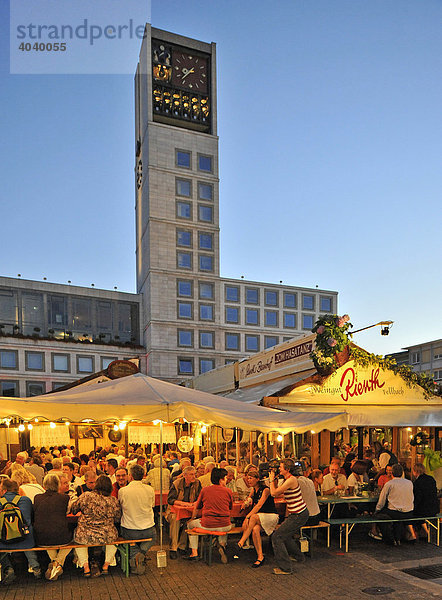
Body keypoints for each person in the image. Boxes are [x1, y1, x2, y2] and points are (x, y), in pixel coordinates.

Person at [70, 475, 121, 576]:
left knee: (79, 538)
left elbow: (74, 510)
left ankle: (86, 567)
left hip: (85, 534)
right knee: (114, 538)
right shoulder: (113, 500)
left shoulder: (86, 496)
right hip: (106, 535)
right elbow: (117, 518)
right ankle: (106, 565)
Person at [269, 459, 309, 575]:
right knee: (285, 536)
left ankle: (285, 568)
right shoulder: (287, 479)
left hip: (298, 514)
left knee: (277, 537)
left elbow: (273, 493)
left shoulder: (291, 480)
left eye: (280, 467)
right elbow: (278, 490)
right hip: (297, 514)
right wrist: (275, 480)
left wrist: (271, 479)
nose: (279, 469)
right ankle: (299, 557)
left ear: (287, 469)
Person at [186, 468, 233, 563]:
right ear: (221, 479)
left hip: (209, 525)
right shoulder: (228, 491)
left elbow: (197, 507)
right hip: (226, 526)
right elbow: (230, 507)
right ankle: (222, 544)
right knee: (223, 524)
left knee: (190, 525)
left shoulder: (205, 490)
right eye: (225, 478)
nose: (226, 480)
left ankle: (194, 553)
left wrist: (192, 518)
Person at [0, 477, 41, 581]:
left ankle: (8, 568)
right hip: (25, 539)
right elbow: (31, 517)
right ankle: (35, 567)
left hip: (4, 541)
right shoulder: (26, 500)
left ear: (4, 490)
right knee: (27, 541)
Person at [118, 464, 156, 575]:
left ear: (130, 476)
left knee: (129, 541)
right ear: (143, 475)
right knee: (154, 537)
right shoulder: (150, 489)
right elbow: (152, 505)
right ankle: (141, 554)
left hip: (130, 530)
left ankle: (135, 555)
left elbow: (120, 506)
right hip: (148, 528)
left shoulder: (123, 491)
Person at [33, 473, 72, 580]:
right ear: (58, 484)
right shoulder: (65, 498)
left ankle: (54, 563)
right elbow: (68, 512)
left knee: (48, 534)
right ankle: (57, 563)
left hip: (41, 539)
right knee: (73, 539)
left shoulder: (37, 498)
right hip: (61, 537)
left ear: (44, 485)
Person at [237, 470, 279, 567]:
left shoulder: (266, 490)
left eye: (251, 478)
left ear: (258, 479)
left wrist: (247, 517)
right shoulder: (253, 489)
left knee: (253, 517)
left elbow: (259, 505)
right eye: (248, 478)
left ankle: (242, 540)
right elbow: (249, 498)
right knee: (255, 529)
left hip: (271, 516)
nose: (248, 480)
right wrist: (247, 502)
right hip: (261, 517)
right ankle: (260, 556)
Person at [166, 466, 202, 559]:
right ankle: (173, 548)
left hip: (190, 511)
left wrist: (195, 503)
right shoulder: (176, 483)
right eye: (191, 474)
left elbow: (200, 498)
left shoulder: (197, 483)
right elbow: (170, 500)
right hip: (174, 510)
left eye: (194, 474)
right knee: (175, 520)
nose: (194, 476)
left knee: (190, 521)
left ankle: (181, 546)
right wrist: (183, 504)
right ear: (185, 475)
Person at [375, 463, 414, 545]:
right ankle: (398, 538)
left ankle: (389, 538)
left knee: (380, 516)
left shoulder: (389, 484)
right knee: (397, 517)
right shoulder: (409, 483)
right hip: (409, 512)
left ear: (392, 473)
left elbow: (382, 500)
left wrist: (377, 510)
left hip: (395, 512)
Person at [412, 463, 439, 537]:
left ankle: (424, 532)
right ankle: (426, 531)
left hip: (424, 510)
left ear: (415, 471)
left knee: (414, 514)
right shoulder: (431, 479)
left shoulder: (417, 482)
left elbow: (418, 498)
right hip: (434, 508)